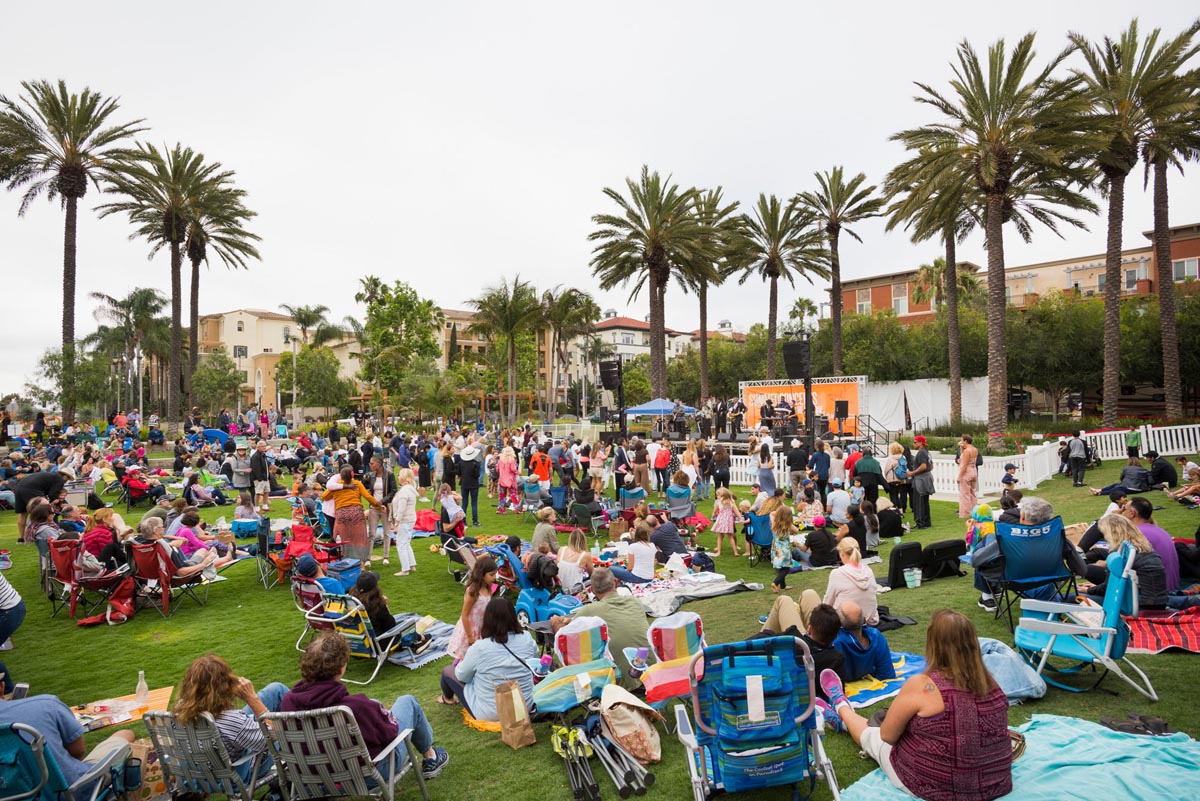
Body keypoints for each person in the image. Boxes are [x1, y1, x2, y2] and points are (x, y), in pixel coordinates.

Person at [819, 609, 1011, 801]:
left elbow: (887, 735)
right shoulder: (991, 683)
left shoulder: (923, 685)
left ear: (934, 644)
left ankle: (841, 707)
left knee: (872, 735)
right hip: (995, 784)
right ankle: (841, 715)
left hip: (933, 786)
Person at [282, 634, 450, 779]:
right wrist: (383, 716)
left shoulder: (289, 702)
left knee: (374, 704)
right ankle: (431, 757)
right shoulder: (353, 708)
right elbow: (390, 733)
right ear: (341, 669)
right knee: (408, 702)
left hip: (314, 778)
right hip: (367, 775)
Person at [174, 654, 288, 782]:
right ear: (225, 685)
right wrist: (252, 700)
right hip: (239, 772)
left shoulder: (179, 712)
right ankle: (304, 754)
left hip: (204, 772)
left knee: (275, 690)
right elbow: (273, 735)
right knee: (286, 729)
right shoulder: (232, 721)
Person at [0, 696, 135, 794]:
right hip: (71, 791)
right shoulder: (45, 704)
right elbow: (78, 750)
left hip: (15, 794)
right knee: (125, 734)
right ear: (1, 687)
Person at [440, 596, 538, 720]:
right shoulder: (527, 638)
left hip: (491, 713)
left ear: (487, 620)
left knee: (448, 671)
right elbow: (534, 663)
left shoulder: (480, 648)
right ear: (513, 617)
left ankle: (447, 698)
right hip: (524, 706)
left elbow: (462, 676)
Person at [558, 567, 649, 690]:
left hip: (626, 679)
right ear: (615, 582)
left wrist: (556, 623)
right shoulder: (635, 602)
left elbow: (568, 632)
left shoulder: (590, 610)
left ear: (592, 590)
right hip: (651, 672)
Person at [753, 596, 846, 689]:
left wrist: (768, 633)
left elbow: (755, 643)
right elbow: (839, 691)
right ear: (836, 636)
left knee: (784, 600)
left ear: (809, 629)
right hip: (812, 686)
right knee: (809, 594)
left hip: (794, 658)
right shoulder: (836, 659)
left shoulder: (790, 641)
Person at [1083, 514, 1167, 609]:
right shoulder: (1143, 548)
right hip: (1158, 601)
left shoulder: (1120, 554)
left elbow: (1109, 588)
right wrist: (1095, 587)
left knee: (1073, 597)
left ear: (1112, 533)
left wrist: (1089, 590)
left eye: (1104, 534)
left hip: (1139, 605)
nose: (1105, 537)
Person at [321, 466, 384, 568]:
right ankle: (362, 565)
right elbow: (368, 497)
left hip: (342, 514)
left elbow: (323, 496)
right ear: (352, 475)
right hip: (356, 513)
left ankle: (348, 564)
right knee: (360, 539)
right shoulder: (357, 484)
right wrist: (379, 506)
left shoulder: (337, 486)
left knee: (345, 540)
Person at [446, 556, 498, 669]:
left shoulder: (488, 588)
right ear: (482, 574)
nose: (494, 577)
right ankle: (456, 670)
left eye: (495, 574)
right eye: (491, 575)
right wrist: (470, 636)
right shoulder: (473, 591)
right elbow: (464, 615)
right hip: (470, 629)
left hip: (482, 627)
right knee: (466, 657)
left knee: (478, 657)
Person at [1123, 496, 1180, 592]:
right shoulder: (1159, 530)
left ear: (1132, 513)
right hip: (1169, 585)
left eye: (1124, 509)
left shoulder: (1137, 534)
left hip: (1156, 591)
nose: (1122, 512)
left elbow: (1123, 565)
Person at [832, 600, 895, 682]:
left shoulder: (835, 641)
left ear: (839, 623)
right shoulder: (876, 636)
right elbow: (887, 675)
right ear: (865, 620)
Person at [824, 538, 880, 625]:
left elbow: (828, 602)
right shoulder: (868, 570)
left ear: (842, 554)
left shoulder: (837, 573)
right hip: (870, 619)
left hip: (845, 623)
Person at [365, 457, 397, 564]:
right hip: (373, 507)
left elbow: (393, 490)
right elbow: (366, 487)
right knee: (371, 533)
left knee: (386, 533)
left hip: (385, 507)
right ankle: (368, 558)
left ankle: (386, 557)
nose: (370, 465)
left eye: (372, 463)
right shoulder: (371, 476)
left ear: (378, 464)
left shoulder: (389, 475)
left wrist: (383, 501)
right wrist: (368, 492)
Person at [389, 468, 418, 577]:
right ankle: (411, 565)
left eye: (399, 475)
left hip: (404, 520)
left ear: (404, 478)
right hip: (410, 519)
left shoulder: (404, 491)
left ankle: (405, 569)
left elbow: (401, 509)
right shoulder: (410, 489)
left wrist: (396, 523)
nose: (398, 477)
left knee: (401, 544)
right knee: (406, 542)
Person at [1089, 457, 1153, 496]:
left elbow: (1121, 478)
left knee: (1116, 489)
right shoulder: (1145, 470)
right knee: (1116, 485)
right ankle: (1099, 490)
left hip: (1131, 487)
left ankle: (1100, 493)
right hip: (1140, 488)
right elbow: (1150, 481)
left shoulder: (1127, 468)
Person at [908, 435, 934, 529]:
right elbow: (931, 466)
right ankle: (927, 521)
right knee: (925, 501)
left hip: (920, 478)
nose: (913, 444)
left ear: (921, 443)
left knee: (918, 501)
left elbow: (923, 466)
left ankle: (920, 522)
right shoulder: (927, 452)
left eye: (915, 442)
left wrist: (912, 473)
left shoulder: (921, 453)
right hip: (927, 477)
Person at [770, 506, 797, 593]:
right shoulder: (788, 525)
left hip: (775, 548)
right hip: (784, 549)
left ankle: (783, 585)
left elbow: (771, 513)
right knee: (786, 568)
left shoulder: (774, 522)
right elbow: (796, 530)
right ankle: (775, 582)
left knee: (781, 567)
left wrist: (778, 513)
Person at [710, 487, 743, 557]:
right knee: (730, 536)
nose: (717, 496)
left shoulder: (718, 502)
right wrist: (740, 518)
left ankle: (719, 552)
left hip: (721, 520)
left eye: (718, 495)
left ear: (723, 495)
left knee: (720, 536)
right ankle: (735, 552)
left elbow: (715, 511)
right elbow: (736, 511)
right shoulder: (731, 502)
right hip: (729, 521)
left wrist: (714, 515)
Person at [881, 442, 909, 514]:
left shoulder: (891, 459)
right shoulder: (903, 458)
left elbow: (886, 470)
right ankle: (901, 512)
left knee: (893, 496)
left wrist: (886, 477)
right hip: (900, 479)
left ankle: (894, 512)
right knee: (897, 496)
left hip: (892, 479)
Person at [957, 434, 978, 518]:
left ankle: (965, 513)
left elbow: (964, 465)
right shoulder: (975, 449)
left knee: (965, 494)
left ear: (965, 441)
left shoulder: (967, 451)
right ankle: (974, 510)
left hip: (967, 473)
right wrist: (961, 449)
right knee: (973, 492)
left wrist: (960, 476)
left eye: (962, 440)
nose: (961, 442)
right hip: (974, 471)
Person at [250, 441, 272, 512]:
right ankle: (257, 508)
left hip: (265, 477)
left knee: (266, 491)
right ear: (258, 447)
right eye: (262, 446)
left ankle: (265, 506)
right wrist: (260, 478)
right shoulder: (255, 456)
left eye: (265, 446)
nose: (264, 447)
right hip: (259, 478)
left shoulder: (263, 455)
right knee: (258, 492)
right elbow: (256, 468)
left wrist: (268, 476)